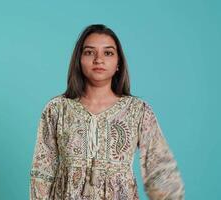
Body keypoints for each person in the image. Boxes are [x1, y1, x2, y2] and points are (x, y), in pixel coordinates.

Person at [29, 24, 185, 200]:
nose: (98, 59)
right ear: (79, 60)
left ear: (118, 63)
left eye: (108, 53)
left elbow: (160, 169)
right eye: (89, 52)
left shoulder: (138, 111)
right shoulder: (57, 110)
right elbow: (42, 172)